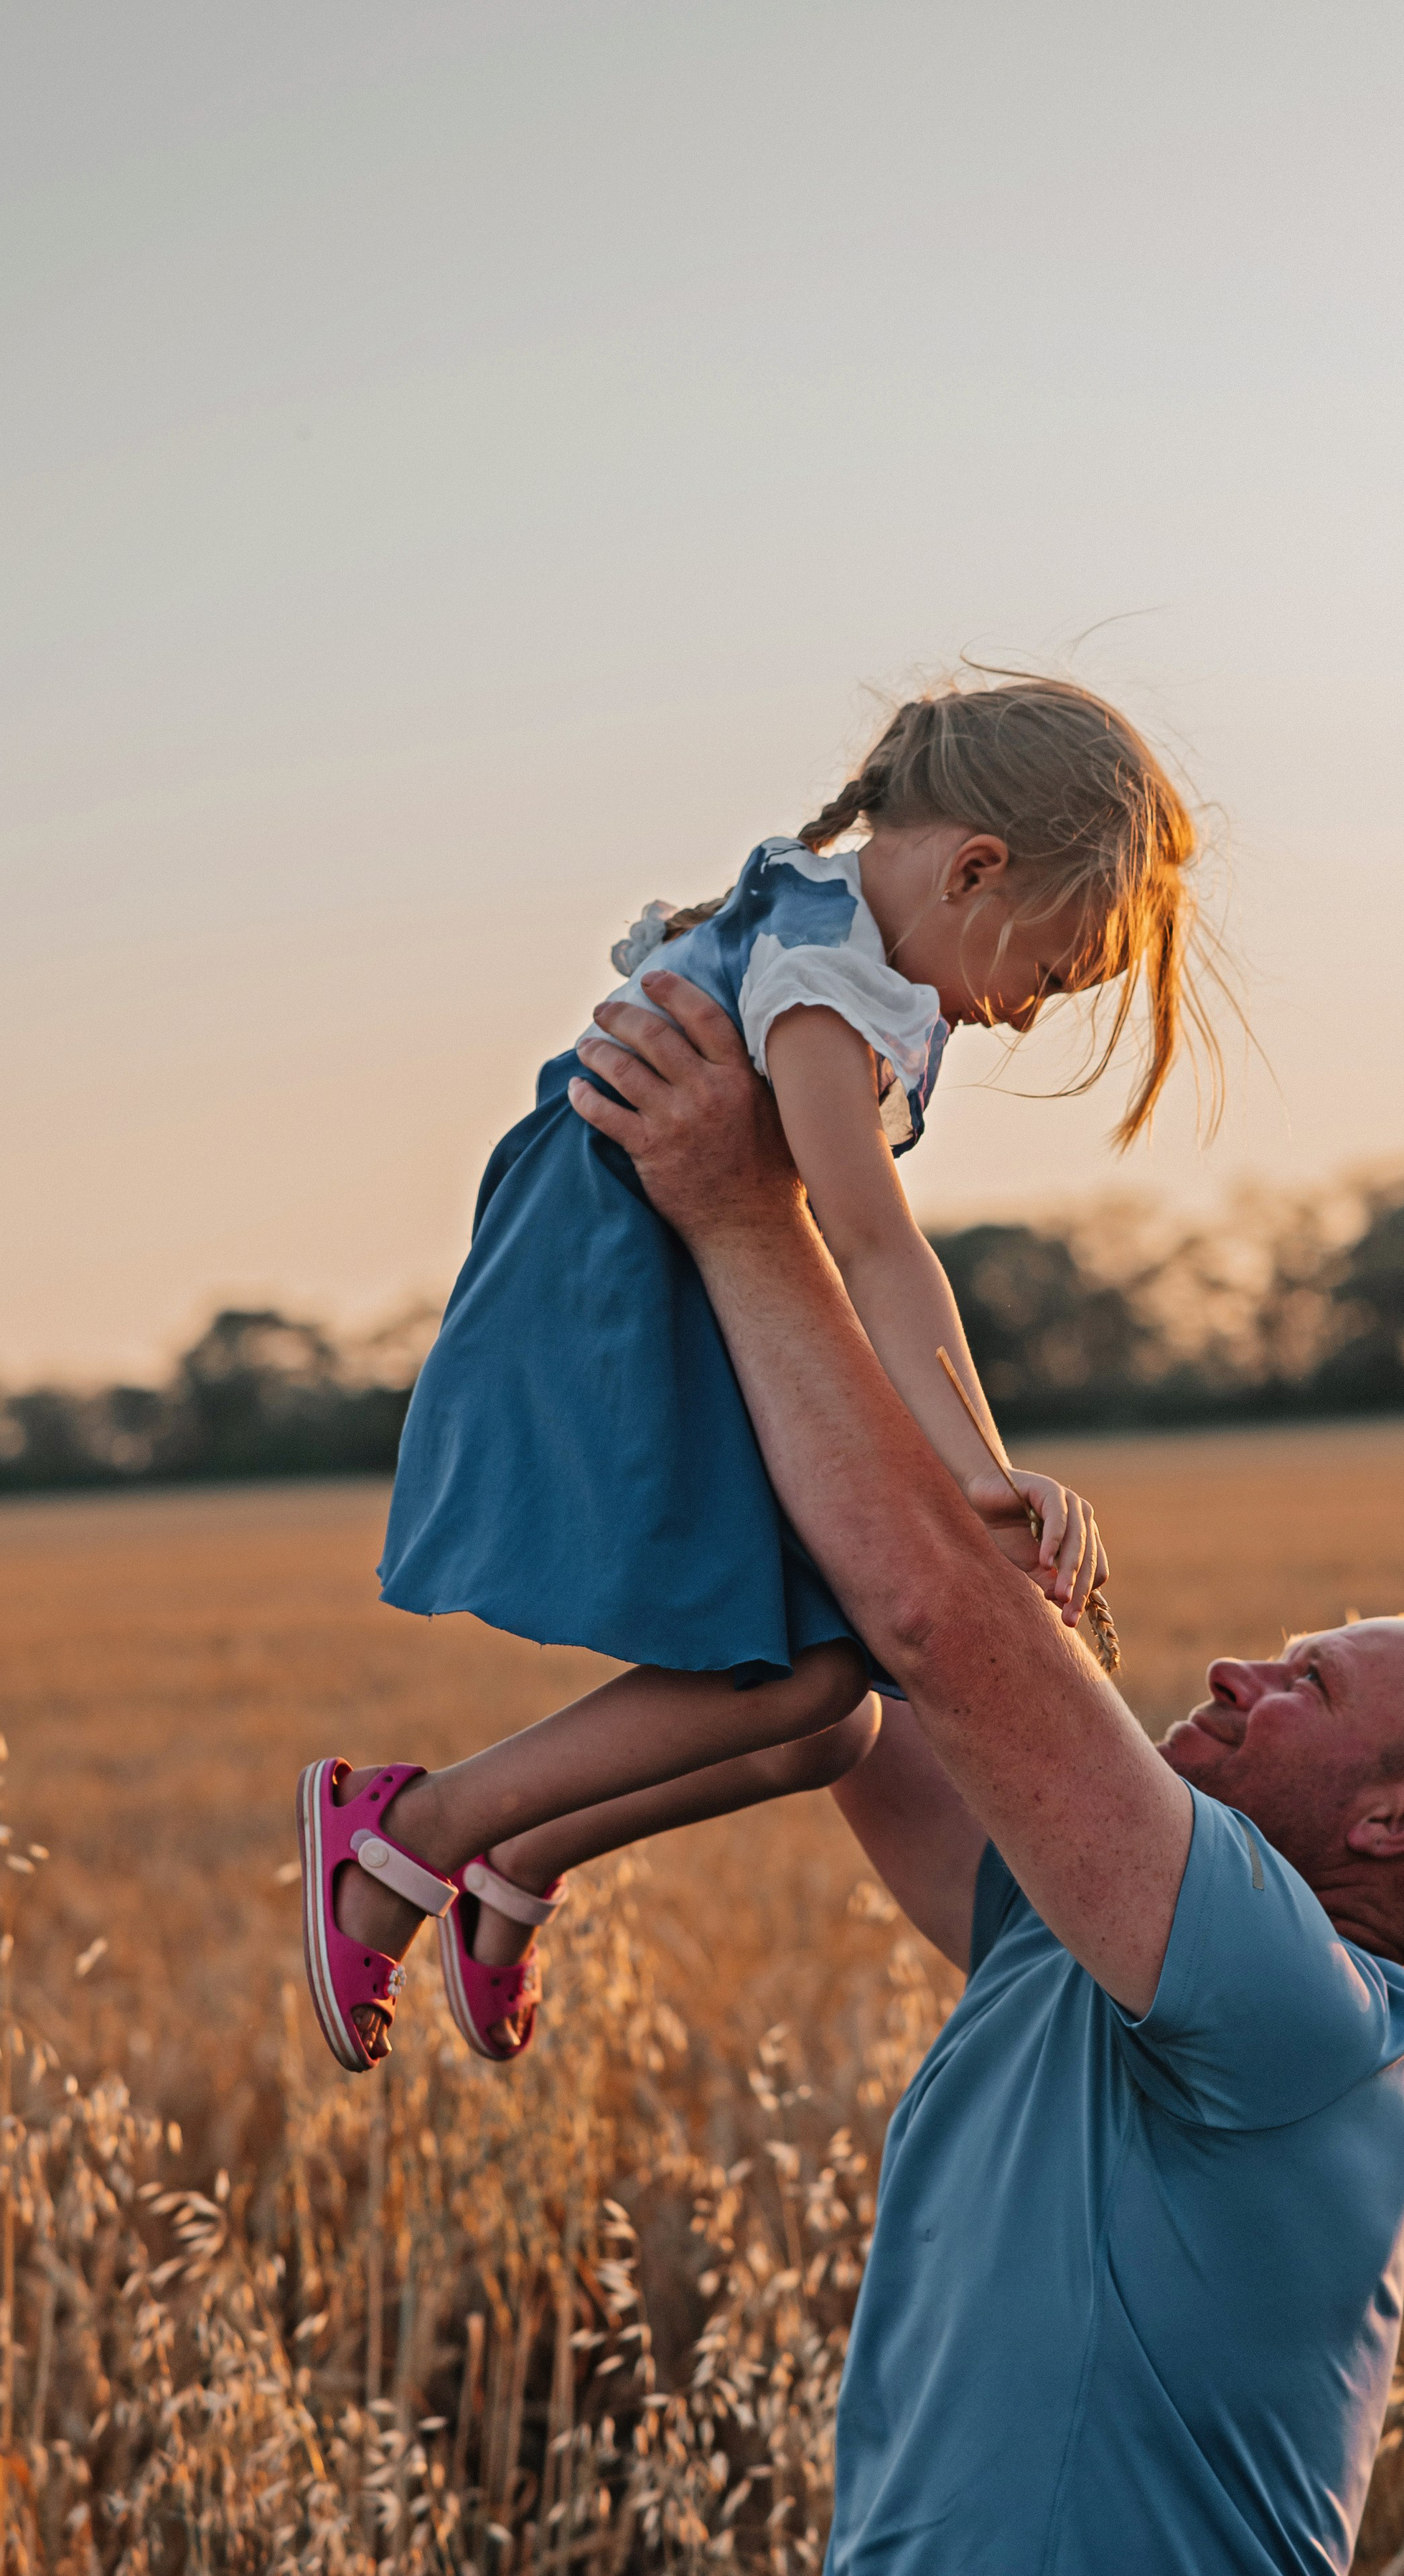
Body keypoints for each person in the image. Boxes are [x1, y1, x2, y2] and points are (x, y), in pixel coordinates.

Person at [559, 972, 1404, 2576]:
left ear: (1394, 1821)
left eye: (1310, 1679)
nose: (1243, 1664)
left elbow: (933, 1625)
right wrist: (709, 1240)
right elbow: (873, 1677)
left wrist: (746, 1205)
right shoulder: (1073, 1943)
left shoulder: (1296, 2010)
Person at [296, 676, 1218, 2074]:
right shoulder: (822, 992)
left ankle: (511, 1855)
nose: (1026, 1017)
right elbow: (870, 1246)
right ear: (974, 869)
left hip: (690, 1271)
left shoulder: (839, 943)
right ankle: (404, 1831)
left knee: (828, 1722)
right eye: (1046, 972)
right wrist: (973, 1475)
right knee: (798, 1685)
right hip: (625, 1283)